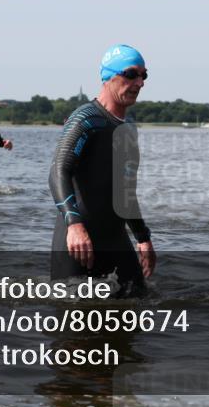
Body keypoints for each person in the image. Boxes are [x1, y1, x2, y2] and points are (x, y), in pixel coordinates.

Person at [49, 44, 155, 297]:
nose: (139, 82)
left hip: (116, 240)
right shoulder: (85, 119)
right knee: (74, 328)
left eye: (144, 75)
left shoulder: (128, 130)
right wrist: (74, 225)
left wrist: (142, 237)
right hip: (78, 243)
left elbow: (126, 191)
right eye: (131, 74)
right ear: (108, 76)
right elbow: (58, 172)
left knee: (138, 308)